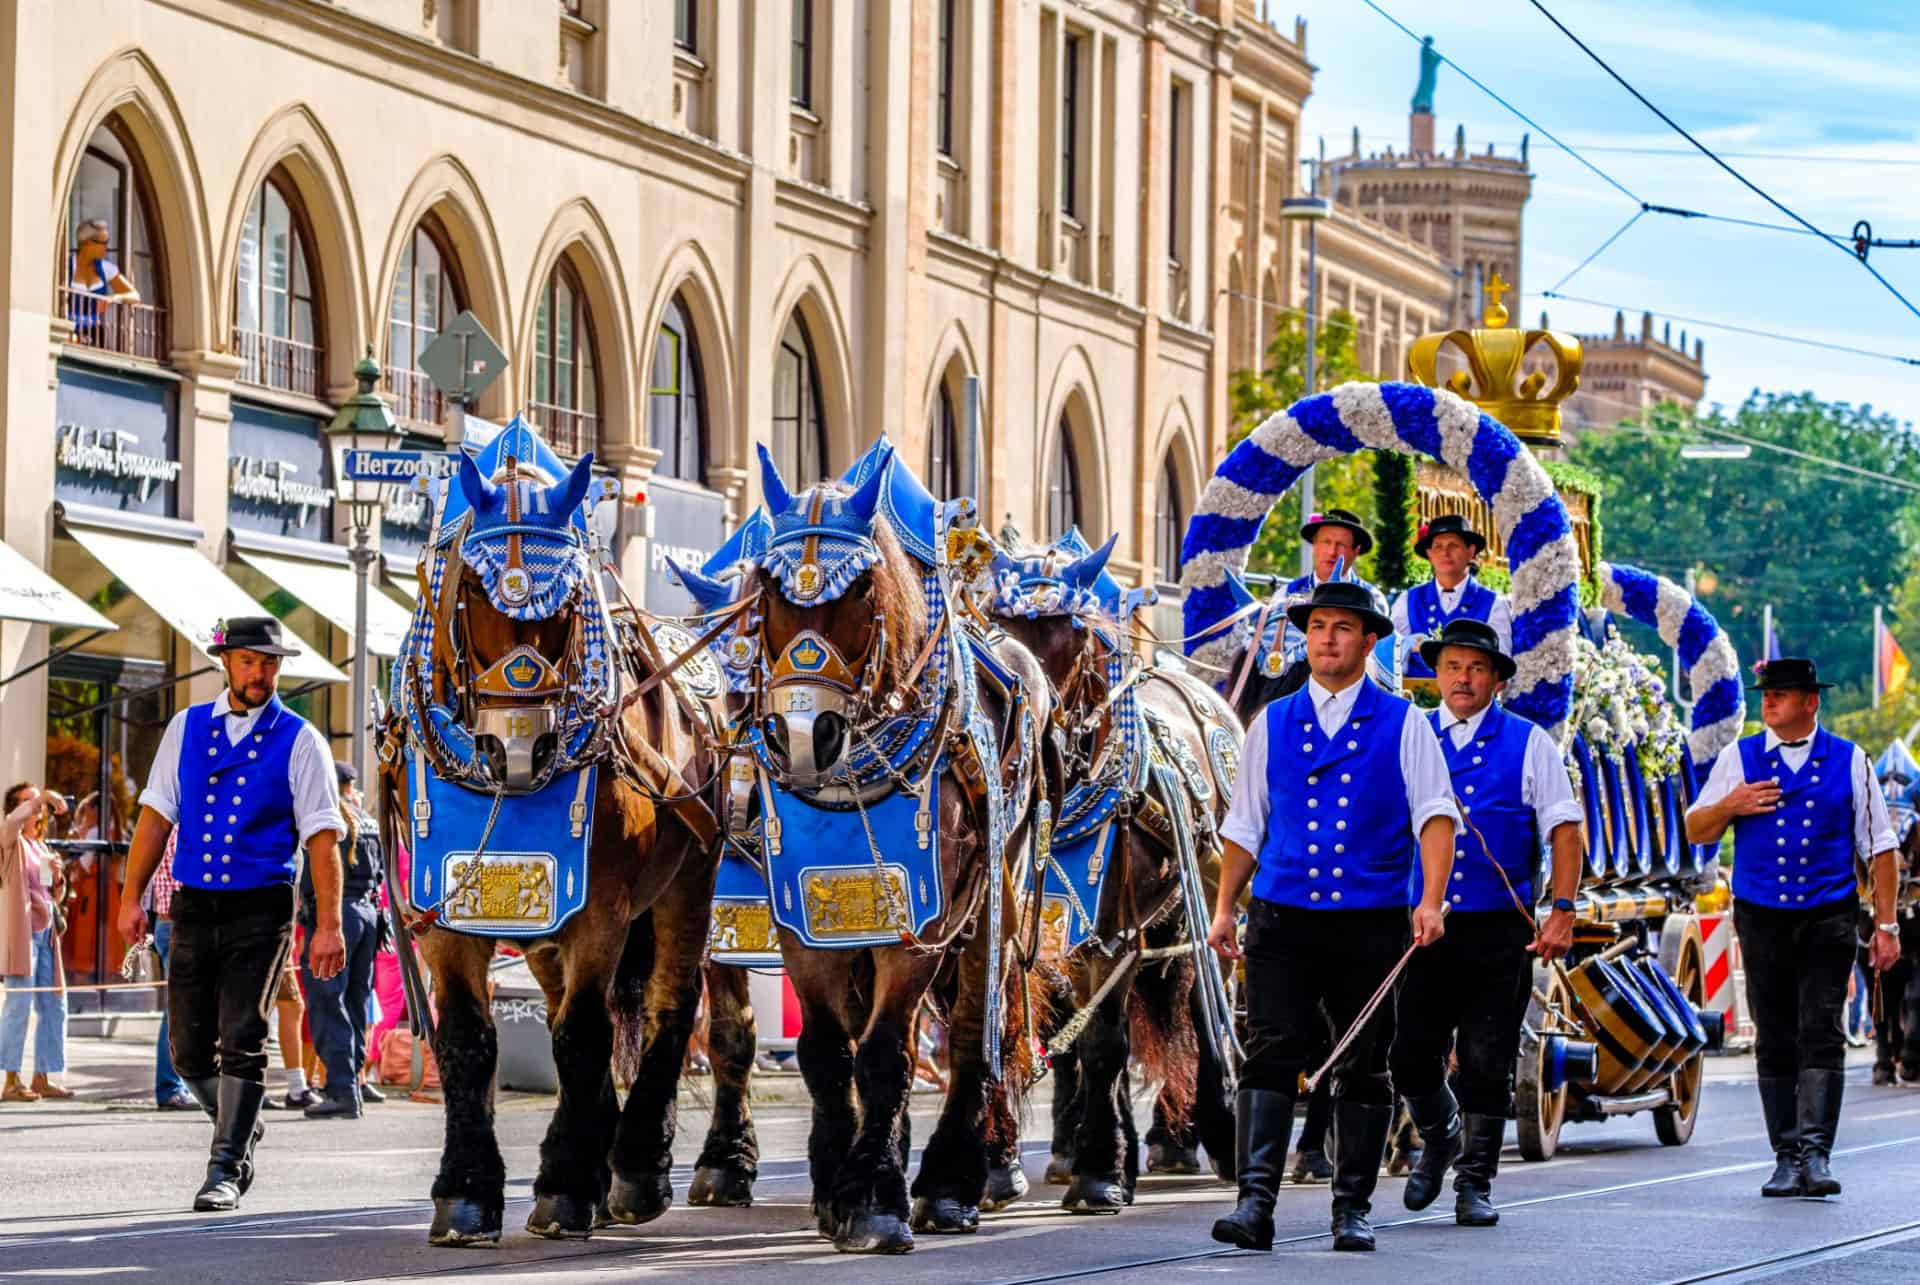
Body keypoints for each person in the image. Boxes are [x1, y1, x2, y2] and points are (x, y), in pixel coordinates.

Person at [1207, 580, 1458, 1253]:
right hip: (1281, 915)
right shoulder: (1272, 721)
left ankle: (1352, 1206)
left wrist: (1430, 899)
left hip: (1370, 920)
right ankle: (1254, 1205)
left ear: (1368, 640)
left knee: (1364, 1062)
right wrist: (1225, 906)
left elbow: (1436, 815)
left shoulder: (1405, 722)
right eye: (1317, 626)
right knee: (1268, 1053)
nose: (1325, 638)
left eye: (1341, 627)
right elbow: (1244, 823)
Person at [116, 616, 346, 1212]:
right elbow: (156, 816)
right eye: (248, 661)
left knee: (243, 1034)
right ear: (226, 662)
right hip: (193, 905)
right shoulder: (186, 727)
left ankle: (225, 1166)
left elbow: (323, 839)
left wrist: (329, 926)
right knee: (187, 1050)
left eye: (269, 663)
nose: (260, 674)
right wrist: (129, 897)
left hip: (262, 906)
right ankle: (239, 1122)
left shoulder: (301, 739)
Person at [1387, 619, 1584, 1225]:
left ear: (1497, 679)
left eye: (1475, 668)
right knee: (1410, 1056)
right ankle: (1440, 1133)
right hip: (1425, 925)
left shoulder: (1529, 743)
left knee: (1486, 1059)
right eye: (1451, 666)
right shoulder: (1410, 735)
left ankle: (1475, 1182)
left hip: (1499, 930)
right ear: (1437, 675)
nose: (1462, 678)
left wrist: (1563, 910)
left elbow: (1564, 828)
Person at [1686, 657, 1901, 1199]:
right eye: (1766, 694)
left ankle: (1816, 1152)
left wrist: (1887, 925)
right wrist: (1732, 804)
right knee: (1774, 1033)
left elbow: (1880, 849)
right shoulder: (1741, 757)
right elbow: (1694, 826)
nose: (1769, 702)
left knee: (1821, 1029)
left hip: (1828, 914)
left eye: (1781, 694)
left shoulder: (1851, 761)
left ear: (1811, 702)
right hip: (1761, 916)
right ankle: (1785, 1155)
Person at [299, 762, 383, 1119]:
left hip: (335, 916)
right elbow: (380, 872)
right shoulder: (367, 820)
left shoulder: (328, 818)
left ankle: (341, 1088)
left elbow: (310, 875)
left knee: (327, 1001)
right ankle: (354, 1084)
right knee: (354, 1001)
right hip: (367, 915)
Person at [2, 784, 72, 1102]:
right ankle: (11, 1080)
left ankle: (42, 1076)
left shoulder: (40, 846)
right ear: (16, 807)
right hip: (23, 934)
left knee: (54, 1005)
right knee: (19, 1005)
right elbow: (12, 823)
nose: (37, 808)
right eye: (29, 802)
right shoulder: (11, 841)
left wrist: (58, 879)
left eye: (38, 803)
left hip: (46, 935)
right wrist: (43, 796)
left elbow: (51, 894)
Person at [1390, 515, 1513, 683]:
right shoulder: (1407, 600)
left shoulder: (1494, 604)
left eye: (1453, 545)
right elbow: (1391, 661)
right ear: (1429, 554)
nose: (1445, 553)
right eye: (1438, 546)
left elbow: (1500, 671)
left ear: (1470, 551)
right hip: (1416, 701)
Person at [147, 831, 198, 1110]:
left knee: (184, 1009)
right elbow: (183, 879)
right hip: (177, 924)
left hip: (176, 924)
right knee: (176, 1010)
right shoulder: (177, 829)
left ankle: (179, 1085)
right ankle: (169, 1087)